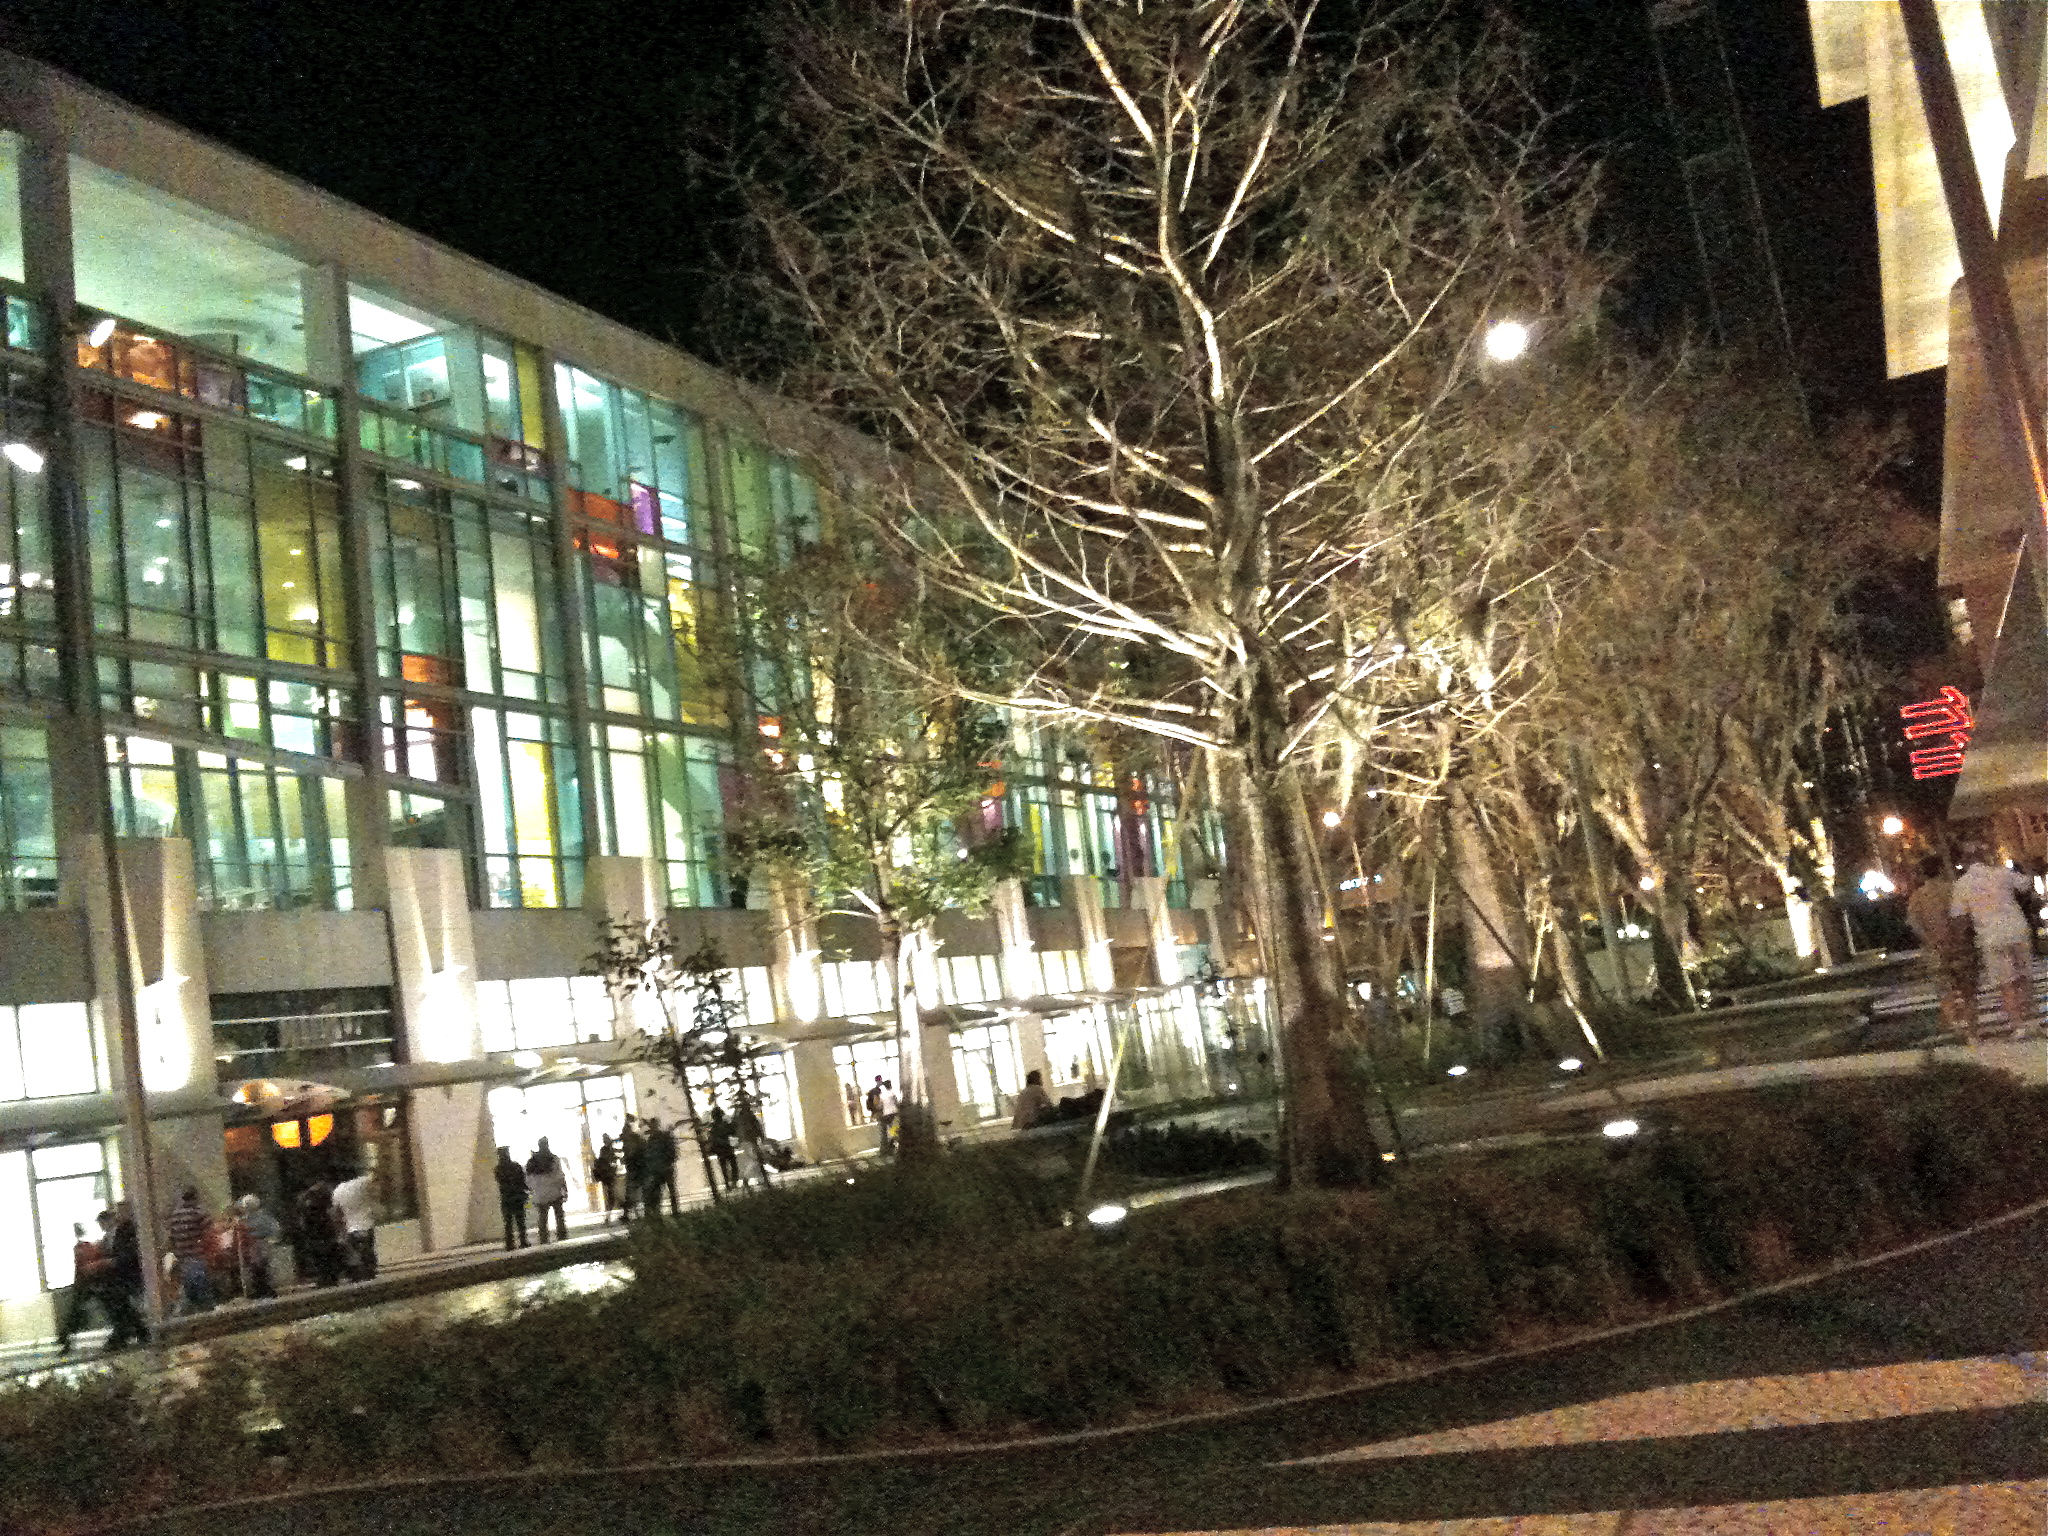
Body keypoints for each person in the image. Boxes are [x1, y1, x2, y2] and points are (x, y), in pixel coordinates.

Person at [1952, 848, 2042, 1035]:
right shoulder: (2002, 872)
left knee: (2005, 983)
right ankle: (2031, 1017)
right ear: (1985, 858)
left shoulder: (1962, 884)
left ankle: (2018, 1026)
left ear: (1965, 863)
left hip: (1990, 936)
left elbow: (1959, 916)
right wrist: (2026, 865)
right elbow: (2026, 885)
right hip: (2017, 930)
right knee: (2024, 976)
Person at [1907, 855, 1979, 1043]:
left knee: (1945, 993)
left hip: (1935, 951)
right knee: (1969, 992)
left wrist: (1931, 939)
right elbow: (1965, 917)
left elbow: (1915, 924)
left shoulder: (1917, 898)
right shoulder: (1954, 890)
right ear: (1940, 870)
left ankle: (1955, 1030)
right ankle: (1973, 1033)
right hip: (1961, 948)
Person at [99, 1206, 148, 1351]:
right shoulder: (113, 1235)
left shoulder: (126, 1232)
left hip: (128, 1275)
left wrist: (113, 1261)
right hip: (119, 1276)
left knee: (121, 1303)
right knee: (123, 1305)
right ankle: (135, 1333)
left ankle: (125, 1335)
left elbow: (130, 1254)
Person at [165, 1186, 216, 1314]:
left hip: (183, 1257)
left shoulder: (175, 1215)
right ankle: (206, 1316)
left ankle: (194, 1314)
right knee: (202, 1289)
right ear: (196, 1197)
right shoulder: (199, 1213)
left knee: (190, 1287)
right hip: (197, 1255)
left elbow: (171, 1237)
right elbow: (209, 1235)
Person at [55, 1221, 103, 1355]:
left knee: (75, 1312)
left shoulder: (82, 1247)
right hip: (91, 1282)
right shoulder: (89, 1245)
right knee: (76, 1312)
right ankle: (66, 1338)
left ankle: (66, 1338)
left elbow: (81, 1268)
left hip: (87, 1283)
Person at [294, 1181, 347, 1287]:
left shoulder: (307, 1202)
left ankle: (326, 1278)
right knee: (326, 1256)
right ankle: (330, 1278)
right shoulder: (320, 1203)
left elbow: (305, 1220)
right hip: (323, 1233)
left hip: (316, 1234)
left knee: (321, 1257)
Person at [331, 1167, 378, 1281]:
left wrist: (340, 1232)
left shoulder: (338, 1190)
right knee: (368, 1255)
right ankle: (370, 1277)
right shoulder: (362, 1182)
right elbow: (376, 1180)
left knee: (355, 1257)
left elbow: (337, 1212)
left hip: (351, 1229)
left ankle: (359, 1278)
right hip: (366, 1225)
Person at [232, 1193, 279, 1300]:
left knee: (249, 1270)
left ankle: (253, 1291)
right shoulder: (265, 1218)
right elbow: (275, 1229)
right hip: (263, 1244)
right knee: (266, 1268)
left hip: (247, 1247)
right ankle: (268, 1289)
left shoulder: (241, 1221)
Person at [526, 1137, 569, 1242]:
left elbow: (528, 1179)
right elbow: (560, 1176)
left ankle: (543, 1238)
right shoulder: (553, 1159)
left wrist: (533, 1190)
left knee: (542, 1218)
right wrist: (564, 1189)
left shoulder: (531, 1162)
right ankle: (562, 1236)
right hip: (554, 1192)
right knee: (559, 1216)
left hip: (540, 1195)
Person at [494, 1146, 530, 1250]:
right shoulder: (515, 1166)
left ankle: (509, 1244)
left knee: (508, 1222)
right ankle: (523, 1241)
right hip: (517, 1196)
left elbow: (500, 1182)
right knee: (520, 1221)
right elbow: (522, 1180)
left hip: (506, 1197)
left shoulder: (498, 1169)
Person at [647, 1117, 681, 1216]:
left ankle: (674, 1210)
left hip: (664, 1168)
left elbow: (672, 1152)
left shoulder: (660, 1137)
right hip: (660, 1168)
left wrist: (668, 1162)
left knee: (668, 1190)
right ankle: (662, 1211)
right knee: (661, 1190)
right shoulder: (654, 1139)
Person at [733, 1098, 768, 1188]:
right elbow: (757, 1127)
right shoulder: (749, 1117)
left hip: (746, 1141)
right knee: (754, 1160)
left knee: (752, 1160)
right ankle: (759, 1178)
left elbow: (736, 1130)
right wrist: (761, 1137)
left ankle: (750, 1178)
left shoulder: (739, 1117)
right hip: (750, 1141)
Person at [619, 1118, 647, 1223]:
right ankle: (630, 1214)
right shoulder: (634, 1140)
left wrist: (627, 1159)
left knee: (632, 1192)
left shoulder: (634, 1141)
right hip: (635, 1168)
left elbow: (632, 1154)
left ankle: (630, 1214)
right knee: (632, 1193)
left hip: (636, 1169)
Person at [706, 1106, 740, 1190]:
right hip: (722, 1148)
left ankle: (730, 1183)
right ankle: (730, 1183)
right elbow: (713, 1138)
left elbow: (732, 1131)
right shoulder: (715, 1126)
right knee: (728, 1166)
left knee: (728, 1166)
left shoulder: (718, 1125)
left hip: (723, 1148)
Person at [593, 1133, 623, 1224]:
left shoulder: (605, 1150)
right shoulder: (607, 1150)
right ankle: (609, 1217)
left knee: (611, 1196)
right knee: (612, 1196)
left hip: (608, 1177)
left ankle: (608, 1217)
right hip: (610, 1176)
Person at [876, 1079, 901, 1157]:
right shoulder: (892, 1093)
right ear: (890, 1085)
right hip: (894, 1113)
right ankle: (894, 1144)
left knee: (890, 1130)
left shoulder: (882, 1095)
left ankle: (892, 1144)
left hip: (886, 1114)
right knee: (896, 1130)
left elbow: (880, 1105)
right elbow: (896, 1103)